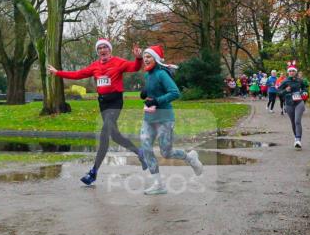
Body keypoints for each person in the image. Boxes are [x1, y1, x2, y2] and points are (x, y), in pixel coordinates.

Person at [47, 38, 146, 185]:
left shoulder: (118, 62)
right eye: (99, 48)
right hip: (103, 103)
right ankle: (140, 152)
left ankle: (93, 172)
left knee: (104, 134)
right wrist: (57, 73)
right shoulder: (95, 66)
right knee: (115, 136)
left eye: (105, 47)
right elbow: (78, 74)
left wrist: (138, 58)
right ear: (97, 52)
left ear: (110, 50)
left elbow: (134, 67)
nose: (102, 50)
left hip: (115, 102)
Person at [139, 45, 203, 195]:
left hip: (165, 118)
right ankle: (158, 184)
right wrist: (146, 93)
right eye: (144, 57)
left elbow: (175, 92)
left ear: (155, 58)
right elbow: (153, 91)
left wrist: (157, 101)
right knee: (145, 146)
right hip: (149, 117)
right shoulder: (148, 75)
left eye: (148, 56)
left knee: (166, 153)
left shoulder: (162, 74)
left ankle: (190, 157)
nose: (145, 59)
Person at [277, 61, 309, 148]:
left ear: (296, 72)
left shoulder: (300, 81)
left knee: (297, 121)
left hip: (299, 102)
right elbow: (279, 92)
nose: (291, 72)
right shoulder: (285, 81)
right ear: (288, 72)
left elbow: (305, 89)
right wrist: (285, 90)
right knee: (293, 122)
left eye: (293, 71)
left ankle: (298, 140)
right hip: (289, 103)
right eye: (290, 71)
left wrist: (304, 93)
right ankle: (296, 137)